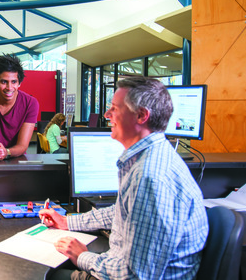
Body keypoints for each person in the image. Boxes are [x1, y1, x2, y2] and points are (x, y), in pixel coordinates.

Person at [39, 77, 208, 280]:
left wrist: (83, 256)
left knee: (46, 275)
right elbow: (122, 212)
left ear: (141, 115)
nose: (107, 114)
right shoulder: (152, 156)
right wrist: (68, 222)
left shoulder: (149, 178)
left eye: (114, 108)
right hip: (127, 267)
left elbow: (135, 275)